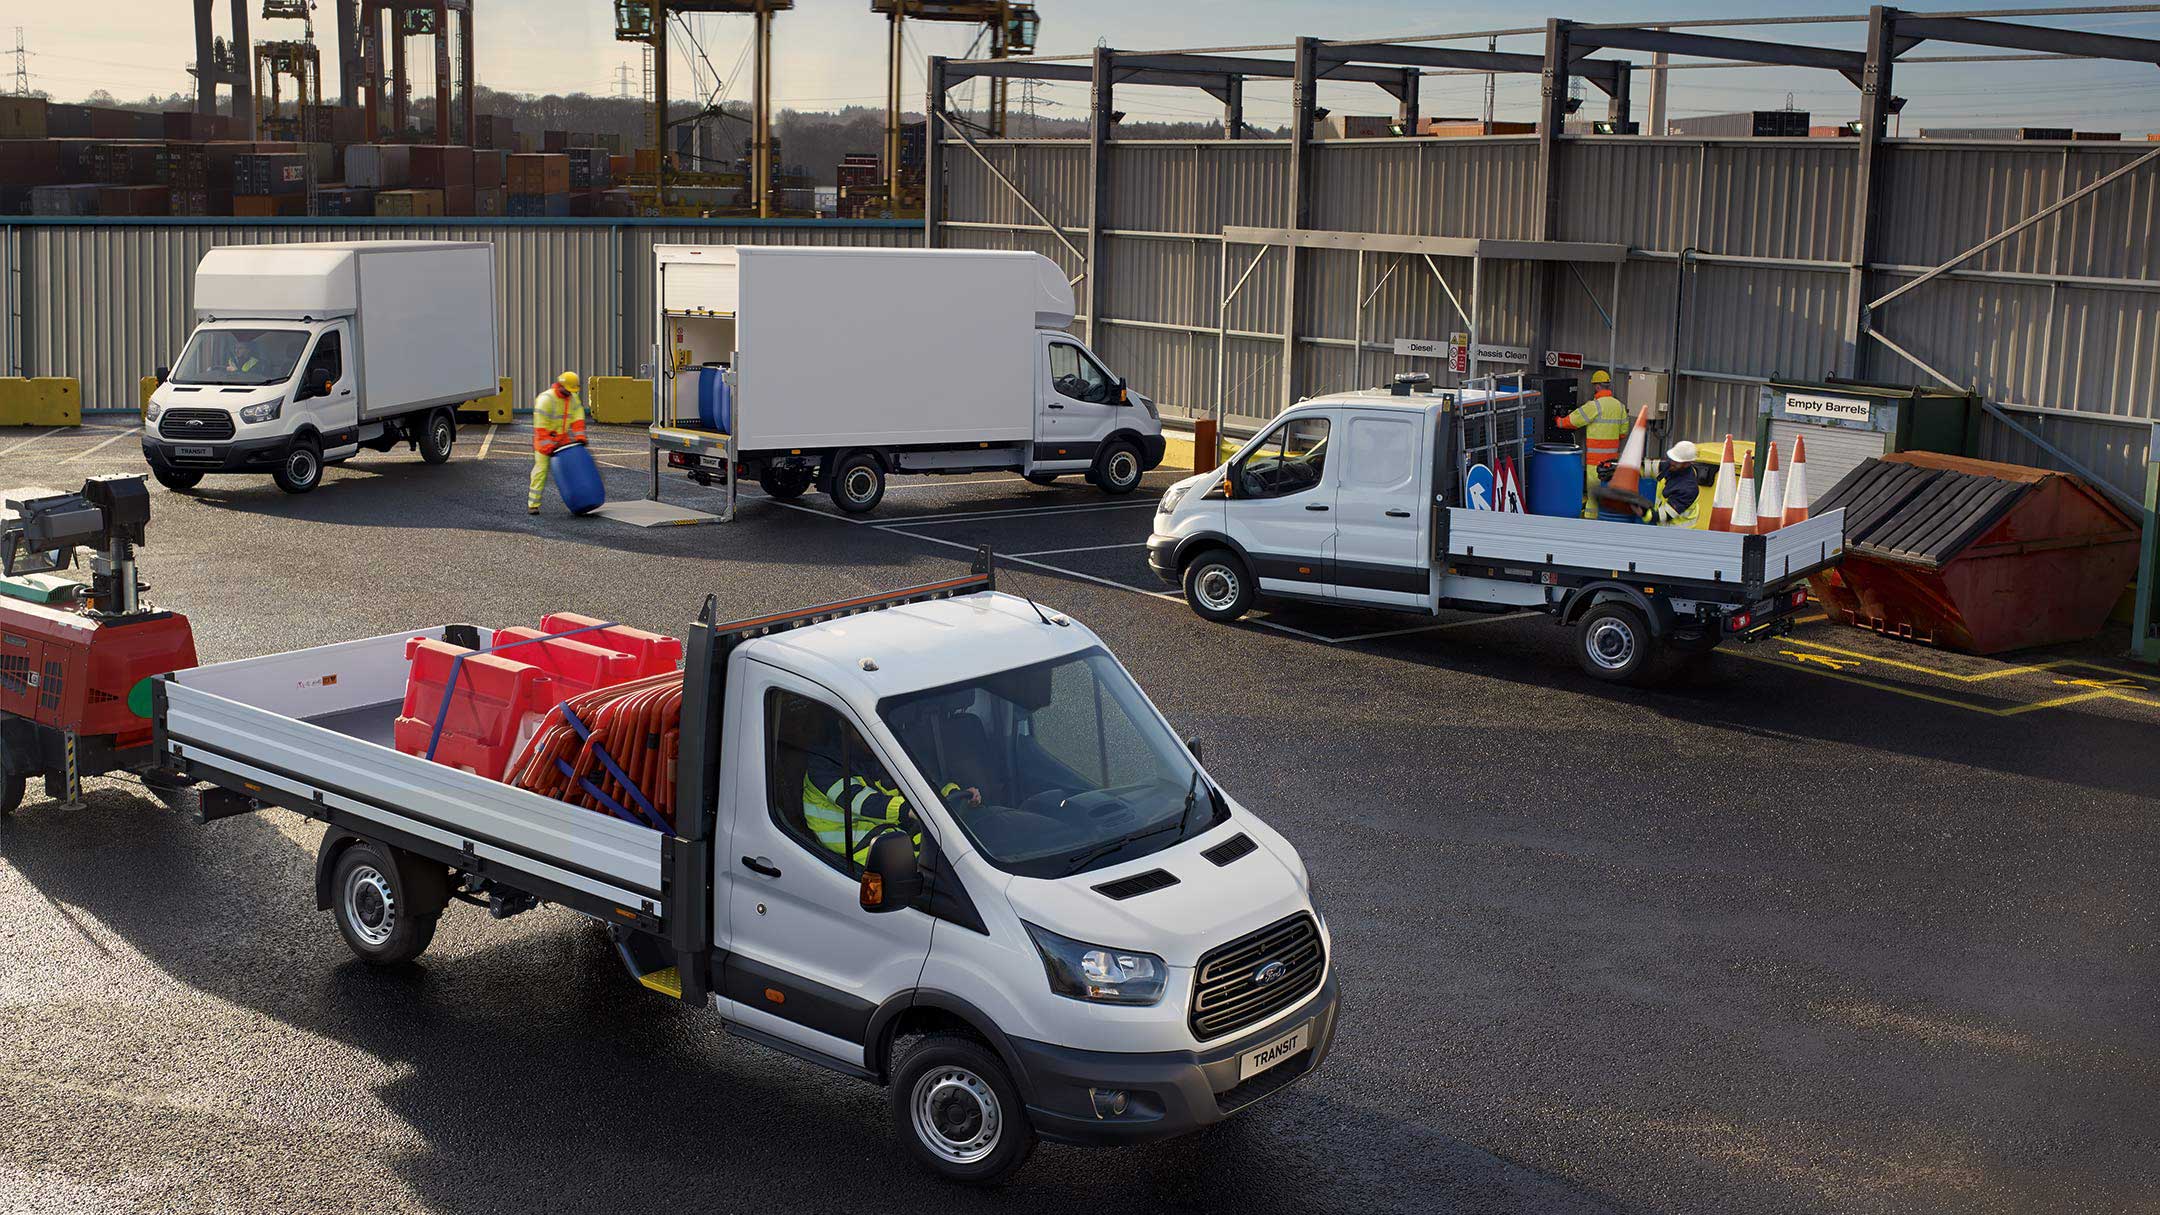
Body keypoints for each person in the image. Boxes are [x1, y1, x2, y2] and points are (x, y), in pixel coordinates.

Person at [1555, 369, 1628, 519]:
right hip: (1612, 462)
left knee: (1594, 495)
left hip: (1596, 462)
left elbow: (1572, 421)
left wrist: (1558, 421)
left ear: (1597, 386)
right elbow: (1622, 433)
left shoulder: (1594, 406)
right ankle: (1608, 520)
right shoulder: (1619, 406)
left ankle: (1590, 522)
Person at [528, 371, 587, 515]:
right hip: (544, 441)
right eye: (568, 390)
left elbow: (578, 418)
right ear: (561, 386)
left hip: (563, 439)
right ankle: (533, 504)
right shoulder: (546, 399)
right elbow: (540, 428)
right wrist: (548, 446)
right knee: (541, 471)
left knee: (572, 471)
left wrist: (580, 436)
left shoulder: (572, 398)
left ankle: (580, 502)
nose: (570, 393)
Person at [1646, 440, 1705, 527]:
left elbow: (1664, 515)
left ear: (1687, 463)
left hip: (1680, 534)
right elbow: (1648, 467)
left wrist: (1644, 513)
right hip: (1663, 528)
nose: (1671, 463)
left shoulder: (1687, 488)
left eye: (1676, 461)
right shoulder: (1673, 466)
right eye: (1672, 459)